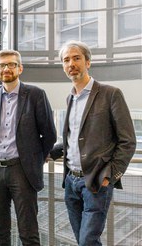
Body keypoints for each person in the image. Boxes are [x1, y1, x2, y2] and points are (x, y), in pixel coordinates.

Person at [56, 40, 136, 245]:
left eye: (76, 58)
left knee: (87, 241)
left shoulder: (110, 94)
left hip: (96, 182)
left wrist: (110, 175)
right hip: (71, 182)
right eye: (66, 60)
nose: (71, 63)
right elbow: (73, 138)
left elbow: (127, 141)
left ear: (88, 62)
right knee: (83, 240)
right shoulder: (70, 98)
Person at [0, 50, 57, 245]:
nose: (6, 69)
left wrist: (33, 160)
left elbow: (49, 134)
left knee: (28, 232)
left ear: (20, 68)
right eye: (1, 65)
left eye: (11, 64)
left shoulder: (35, 94)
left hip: (22, 171)